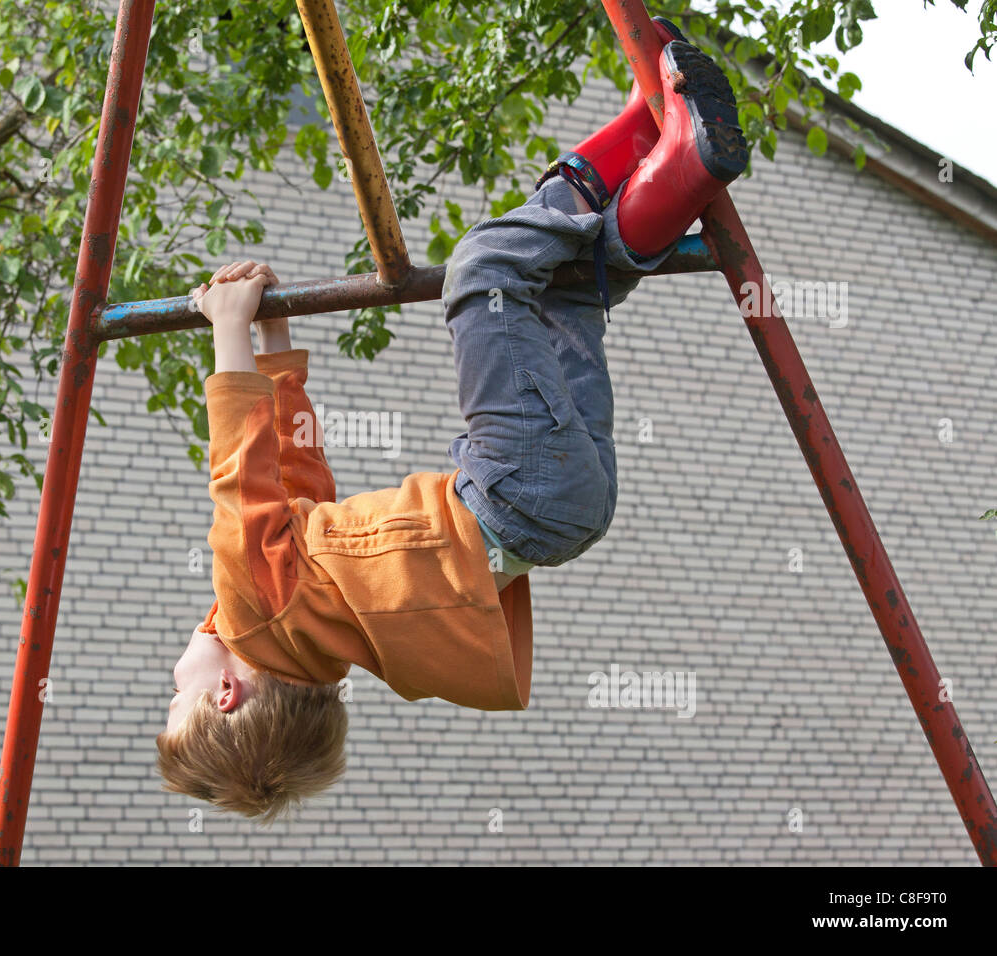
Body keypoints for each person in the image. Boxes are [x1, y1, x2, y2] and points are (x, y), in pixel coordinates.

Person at [156, 28, 748, 823]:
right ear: (225, 693)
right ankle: (660, 154)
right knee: (483, 272)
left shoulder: (311, 625)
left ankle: (661, 152)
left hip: (563, 511)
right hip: (514, 485)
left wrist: (273, 341)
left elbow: (292, 476)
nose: (175, 673)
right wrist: (230, 327)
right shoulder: (261, 615)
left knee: (566, 293)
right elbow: (238, 469)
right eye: (176, 695)